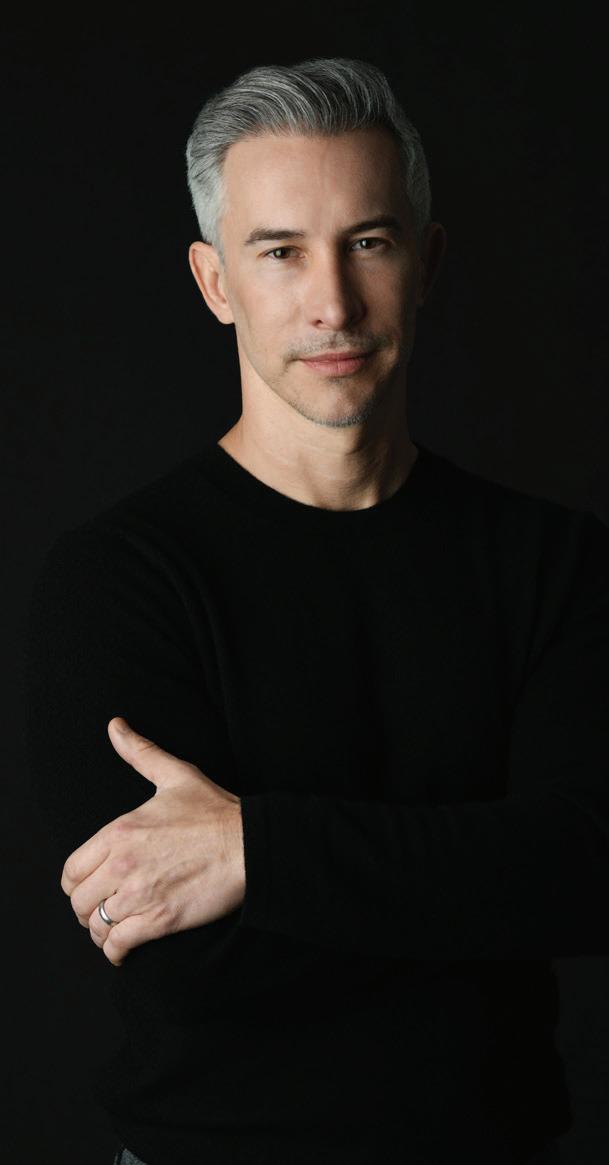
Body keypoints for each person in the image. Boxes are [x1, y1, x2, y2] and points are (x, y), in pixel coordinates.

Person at [23, 56, 608, 1165]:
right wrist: (481, 877)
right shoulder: (117, 578)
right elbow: (186, 966)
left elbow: (588, 872)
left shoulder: (555, 560)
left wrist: (257, 850)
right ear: (214, 281)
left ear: (427, 262)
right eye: (280, 252)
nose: (332, 302)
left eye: (368, 242)